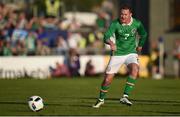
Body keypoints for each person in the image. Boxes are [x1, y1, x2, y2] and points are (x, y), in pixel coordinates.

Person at [93, 4, 147, 108]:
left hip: (131, 52)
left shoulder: (137, 24)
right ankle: (101, 99)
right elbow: (106, 37)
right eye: (121, 14)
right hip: (117, 54)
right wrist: (111, 43)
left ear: (130, 14)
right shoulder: (115, 24)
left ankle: (125, 96)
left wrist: (140, 45)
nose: (123, 16)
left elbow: (144, 34)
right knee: (108, 79)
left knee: (135, 69)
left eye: (125, 14)